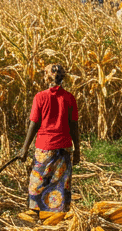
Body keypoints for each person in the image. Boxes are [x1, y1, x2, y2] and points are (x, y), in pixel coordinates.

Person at [15, 64, 80, 213]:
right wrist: (77, 150)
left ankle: (36, 211)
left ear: (47, 77)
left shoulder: (40, 97)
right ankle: (57, 212)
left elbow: (34, 124)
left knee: (38, 181)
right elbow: (74, 127)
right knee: (60, 182)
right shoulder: (69, 98)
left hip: (45, 147)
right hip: (64, 148)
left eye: (45, 74)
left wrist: (24, 148)